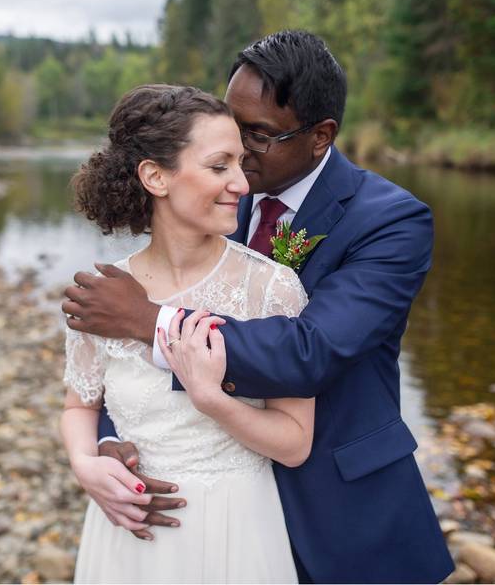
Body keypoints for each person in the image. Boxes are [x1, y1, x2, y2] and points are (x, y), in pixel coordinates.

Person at [63, 31, 455, 584]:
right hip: (187, 515)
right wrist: (109, 443)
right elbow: (115, 366)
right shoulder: (211, 196)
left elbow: (311, 351)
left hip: (337, 508)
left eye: (260, 136)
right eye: (232, 128)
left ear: (321, 136)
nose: (240, 156)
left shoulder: (391, 221)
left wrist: (148, 320)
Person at [61, 83, 315, 583]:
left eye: (241, 164)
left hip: (236, 532)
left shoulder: (272, 289)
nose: (242, 183)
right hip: (128, 535)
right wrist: (85, 464)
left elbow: (295, 443)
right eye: (220, 166)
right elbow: (80, 405)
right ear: (156, 176)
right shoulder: (105, 294)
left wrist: (214, 400)